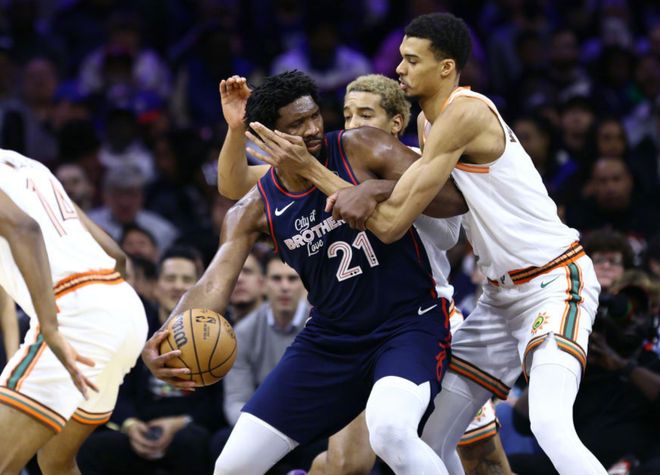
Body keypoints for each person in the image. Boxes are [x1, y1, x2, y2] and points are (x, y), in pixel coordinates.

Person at [250, 13, 605, 475]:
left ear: (446, 67)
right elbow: (414, 189)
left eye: (412, 60)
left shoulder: (464, 113)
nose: (399, 68)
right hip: (499, 298)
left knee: (549, 424)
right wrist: (370, 187)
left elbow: (391, 224)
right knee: (427, 438)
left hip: (553, 280)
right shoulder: (426, 124)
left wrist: (316, 172)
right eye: (401, 58)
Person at [142, 70, 468, 475]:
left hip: (407, 325)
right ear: (266, 137)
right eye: (296, 124)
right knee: (232, 466)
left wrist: (377, 188)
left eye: (314, 115)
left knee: (391, 434)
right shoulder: (253, 209)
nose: (312, 129)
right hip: (331, 340)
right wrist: (165, 335)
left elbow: (453, 197)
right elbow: (213, 282)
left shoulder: (361, 146)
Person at [218, 72, 509, 474]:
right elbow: (234, 184)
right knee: (348, 462)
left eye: (365, 115)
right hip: (343, 329)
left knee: (459, 448)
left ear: (395, 123)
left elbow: (431, 230)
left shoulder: (405, 159)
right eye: (348, 114)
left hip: (421, 318)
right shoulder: (308, 162)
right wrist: (239, 129)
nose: (352, 124)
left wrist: (376, 189)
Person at [0, 149, 148, 475]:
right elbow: (116, 255)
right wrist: (118, 329)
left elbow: (24, 229)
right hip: (121, 303)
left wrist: (52, 329)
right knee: (56, 463)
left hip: (74, 316)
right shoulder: (30, 167)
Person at [78, 246, 222, 475]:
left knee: (193, 442)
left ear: (199, 287)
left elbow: (217, 402)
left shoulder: (216, 335)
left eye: (186, 279)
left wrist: (180, 423)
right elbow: (115, 389)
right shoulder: (135, 329)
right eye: (170, 278)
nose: (177, 286)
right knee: (91, 447)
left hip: (188, 428)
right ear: (156, 286)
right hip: (140, 425)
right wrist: (130, 424)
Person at [213, 254, 319, 474]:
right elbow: (235, 400)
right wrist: (265, 430)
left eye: (292, 279)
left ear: (305, 284)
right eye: (276, 279)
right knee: (222, 442)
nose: (284, 287)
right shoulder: (242, 332)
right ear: (263, 285)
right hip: (263, 422)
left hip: (311, 424)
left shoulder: (322, 325)